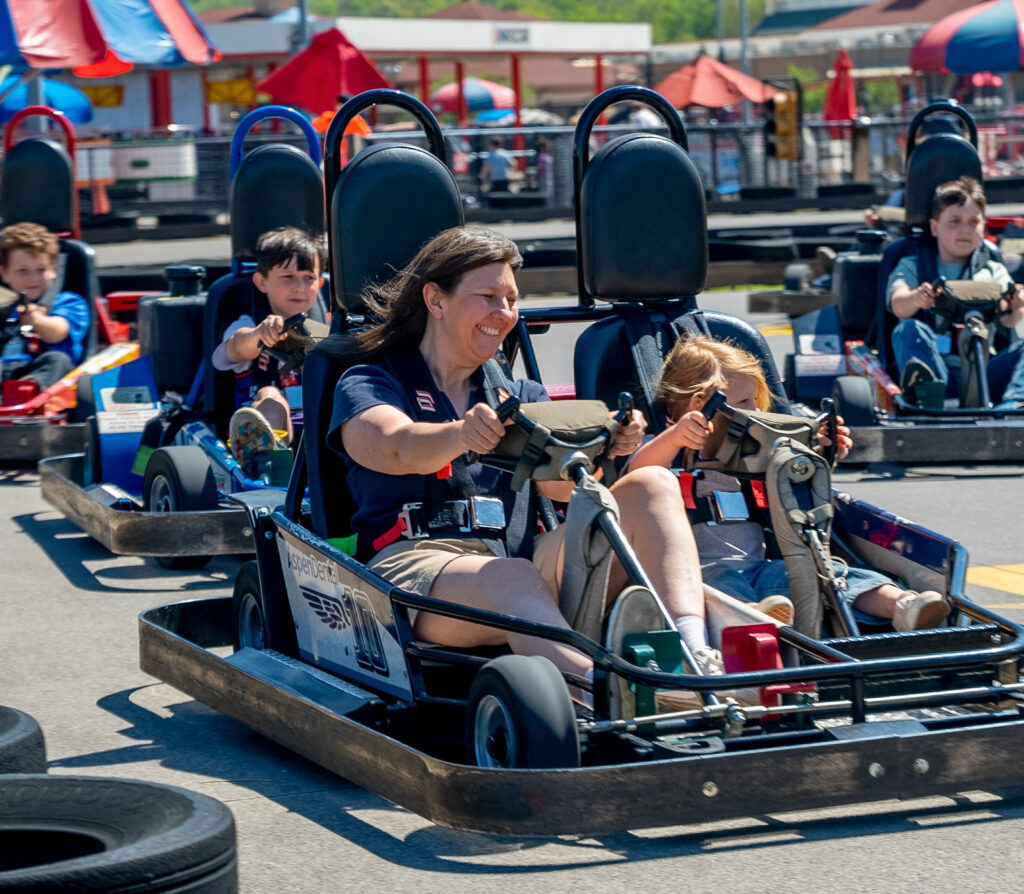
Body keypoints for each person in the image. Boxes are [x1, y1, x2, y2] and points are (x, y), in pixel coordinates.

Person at [328, 226, 715, 687]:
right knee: (511, 576)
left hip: (519, 564)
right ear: (435, 300)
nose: (505, 313)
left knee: (653, 484)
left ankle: (698, 656)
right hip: (412, 571)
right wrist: (461, 433)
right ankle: (600, 691)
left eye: (511, 300)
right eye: (488, 297)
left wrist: (607, 444)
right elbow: (397, 446)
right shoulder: (370, 382)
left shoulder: (521, 394)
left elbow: (559, 489)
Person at [628, 335, 951, 634]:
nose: (755, 411)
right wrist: (676, 437)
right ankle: (757, 618)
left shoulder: (758, 451)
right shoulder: (664, 448)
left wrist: (820, 446)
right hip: (698, 575)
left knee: (832, 574)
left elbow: (796, 474)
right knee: (724, 588)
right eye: (744, 402)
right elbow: (638, 478)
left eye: (756, 401)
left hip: (761, 569)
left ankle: (902, 604)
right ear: (700, 405)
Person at [886, 176, 1024, 409]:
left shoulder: (994, 271)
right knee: (909, 328)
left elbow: (1009, 321)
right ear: (934, 227)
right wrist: (916, 298)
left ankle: (1014, 405)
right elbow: (898, 303)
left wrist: (1016, 305)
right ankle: (925, 396)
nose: (965, 230)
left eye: (973, 222)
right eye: (955, 222)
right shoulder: (913, 266)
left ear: (983, 226)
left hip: (983, 372)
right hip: (938, 369)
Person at [212, 226, 326, 473]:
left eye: (308, 278)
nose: (299, 287)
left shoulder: (328, 329)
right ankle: (268, 467)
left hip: (322, 429)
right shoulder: (248, 325)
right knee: (271, 396)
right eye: (288, 277)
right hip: (270, 424)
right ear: (262, 282)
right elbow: (231, 351)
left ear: (319, 283)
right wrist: (259, 335)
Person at [0, 222, 89, 392]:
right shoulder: (5, 305)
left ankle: (27, 392)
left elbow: (58, 332)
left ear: (53, 271)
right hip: (4, 369)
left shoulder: (68, 302)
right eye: (22, 271)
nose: (33, 278)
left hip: (44, 375)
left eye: (41, 270)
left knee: (57, 359)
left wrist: (36, 319)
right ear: (5, 273)